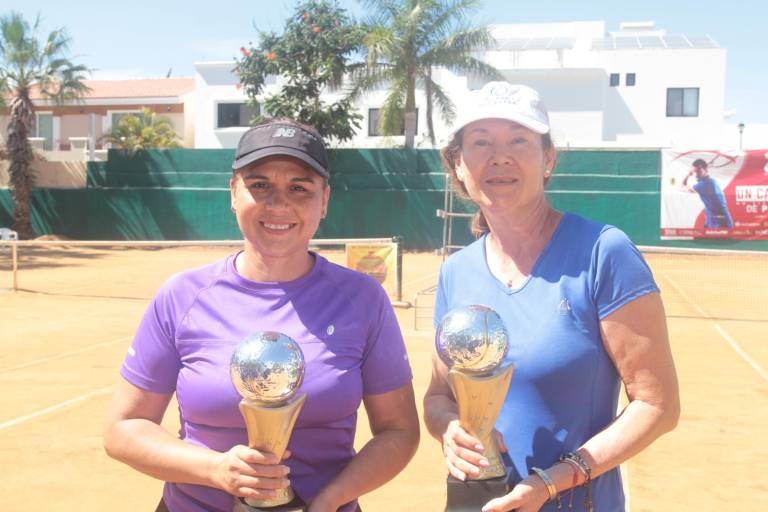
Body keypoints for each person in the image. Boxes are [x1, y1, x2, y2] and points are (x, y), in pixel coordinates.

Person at [103, 118, 420, 512]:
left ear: (324, 201)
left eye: (299, 188)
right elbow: (123, 428)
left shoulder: (363, 299)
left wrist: (328, 501)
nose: (278, 204)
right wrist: (215, 469)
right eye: (259, 185)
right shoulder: (181, 296)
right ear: (233, 193)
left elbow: (399, 430)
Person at [423, 82, 680, 512]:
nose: (499, 156)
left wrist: (551, 482)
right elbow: (437, 396)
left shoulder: (603, 252)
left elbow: (658, 405)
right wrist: (448, 428)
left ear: (548, 159)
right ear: (458, 165)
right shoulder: (456, 270)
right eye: (481, 142)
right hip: (474, 500)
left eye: (518, 140)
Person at [681, 158, 734, 228]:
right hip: (713, 222)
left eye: (699, 171)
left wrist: (688, 175)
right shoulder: (712, 180)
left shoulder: (704, 184)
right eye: (695, 172)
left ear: (706, 170)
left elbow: (682, 187)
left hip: (721, 225)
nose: (696, 175)